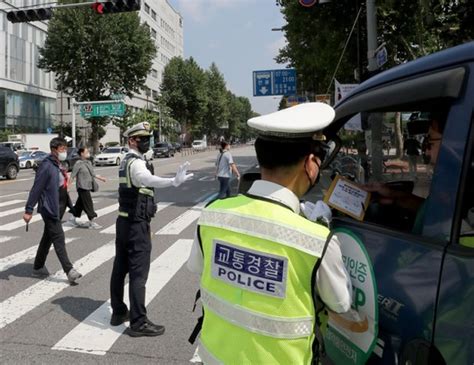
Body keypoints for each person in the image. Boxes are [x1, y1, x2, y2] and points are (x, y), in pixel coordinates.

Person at [187, 103, 352, 364]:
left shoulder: (212, 214)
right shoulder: (317, 239)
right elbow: (341, 303)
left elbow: (197, 267)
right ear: (310, 164)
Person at [110, 122, 194, 337]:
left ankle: (119, 312)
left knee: (120, 268)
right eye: (142, 138)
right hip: (136, 225)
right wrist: (173, 181)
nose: (146, 141)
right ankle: (138, 322)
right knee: (139, 274)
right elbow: (146, 179)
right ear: (131, 140)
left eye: (147, 138)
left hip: (123, 222)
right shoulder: (136, 163)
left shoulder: (126, 161)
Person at [23, 137, 82, 284]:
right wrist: (29, 209)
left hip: (59, 205)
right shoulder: (46, 166)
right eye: (62, 149)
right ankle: (69, 270)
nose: (65, 151)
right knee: (58, 238)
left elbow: (62, 187)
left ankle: (37, 266)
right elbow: (37, 189)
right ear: (54, 150)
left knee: (48, 237)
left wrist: (70, 205)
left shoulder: (57, 164)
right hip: (50, 208)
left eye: (65, 148)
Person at [68, 147, 106, 229]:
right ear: (82, 153)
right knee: (88, 204)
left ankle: (72, 219)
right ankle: (91, 222)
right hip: (82, 187)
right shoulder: (78, 163)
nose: (88, 152)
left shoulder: (88, 162)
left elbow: (92, 174)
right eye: (86, 151)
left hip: (88, 186)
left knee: (80, 204)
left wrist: (101, 178)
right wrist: (68, 187)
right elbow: (72, 176)